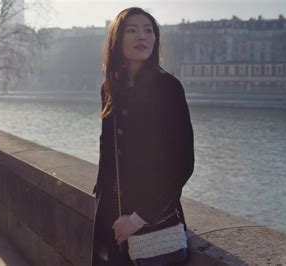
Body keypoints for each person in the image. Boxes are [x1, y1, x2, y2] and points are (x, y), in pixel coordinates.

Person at [92, 7, 194, 266]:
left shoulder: (168, 88)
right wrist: (101, 196)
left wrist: (138, 218)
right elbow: (108, 148)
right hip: (110, 216)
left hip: (151, 220)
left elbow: (182, 164)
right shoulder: (110, 87)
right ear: (117, 39)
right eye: (133, 30)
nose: (143, 37)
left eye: (149, 31)